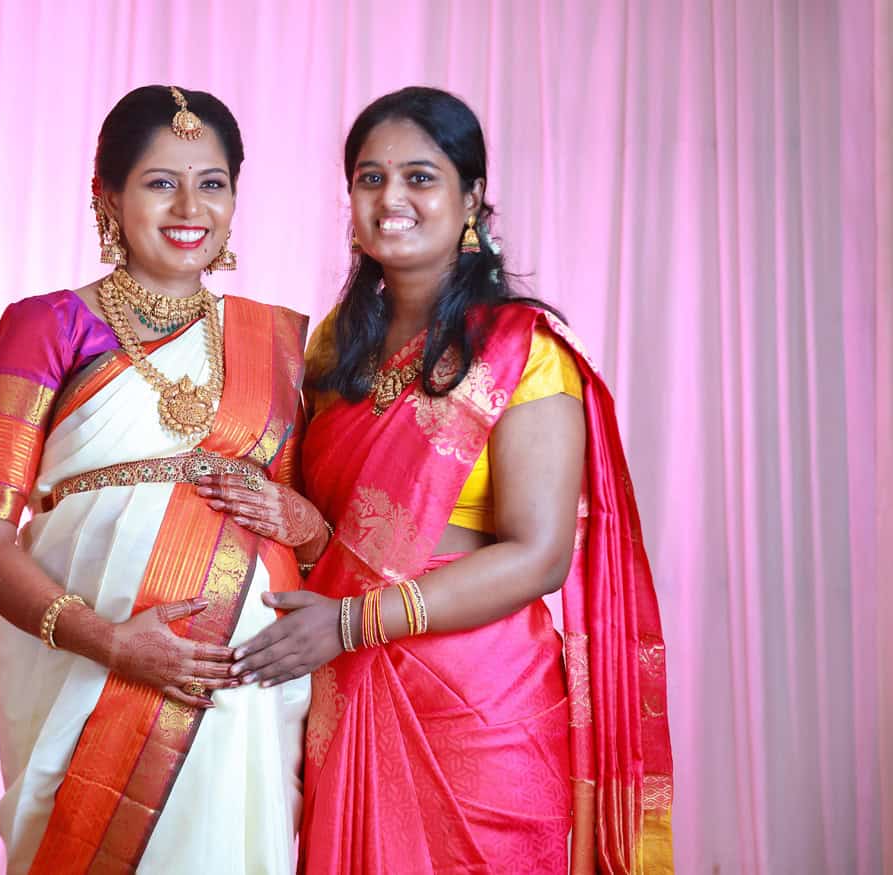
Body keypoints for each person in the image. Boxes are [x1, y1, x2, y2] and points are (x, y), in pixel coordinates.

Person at [197, 87, 674, 873]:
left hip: (480, 700)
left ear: (470, 197)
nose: (392, 199)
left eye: (420, 176)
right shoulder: (329, 355)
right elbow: (333, 531)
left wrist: (351, 623)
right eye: (369, 178)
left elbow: (539, 555)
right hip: (346, 688)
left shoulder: (523, 349)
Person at [0, 85, 314, 875]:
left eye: (211, 182)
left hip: (242, 681)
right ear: (106, 194)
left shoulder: (277, 343)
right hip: (87, 665)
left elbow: (310, 535)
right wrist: (113, 643)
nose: (190, 206)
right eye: (160, 181)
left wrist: (302, 520)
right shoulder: (46, 324)